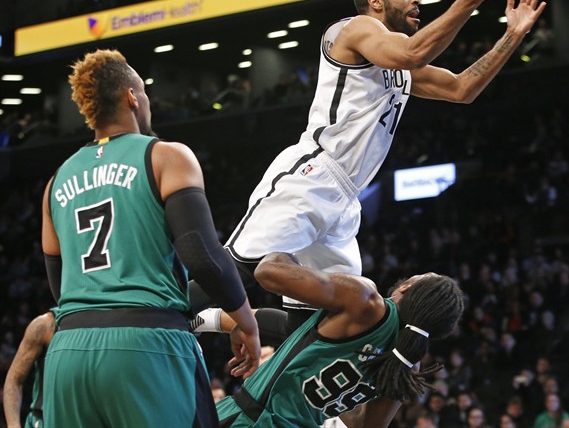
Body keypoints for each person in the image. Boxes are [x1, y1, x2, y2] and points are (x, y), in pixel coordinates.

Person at [225, 0, 546, 331]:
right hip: (314, 170)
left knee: (327, 319)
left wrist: (513, 35)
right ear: (376, 2)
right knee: (238, 270)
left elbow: (463, 89)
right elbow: (412, 52)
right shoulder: (354, 28)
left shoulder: (398, 69)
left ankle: (256, 361)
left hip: (346, 197)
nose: (416, 0)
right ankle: (154, 310)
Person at [40, 49, 260, 428]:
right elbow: (202, 254)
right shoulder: (165, 156)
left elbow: (59, 285)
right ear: (131, 97)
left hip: (68, 352)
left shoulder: (55, 181)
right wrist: (246, 322)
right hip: (146, 346)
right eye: (144, 91)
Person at [201, 252, 464, 427]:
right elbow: (364, 426)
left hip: (248, 419)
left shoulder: (367, 302)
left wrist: (291, 249)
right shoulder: (406, 364)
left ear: (408, 287)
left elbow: (267, 272)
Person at [3, 311, 55, 428]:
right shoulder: (45, 325)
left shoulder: (103, 323)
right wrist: (13, 425)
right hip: (43, 419)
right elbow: (14, 378)